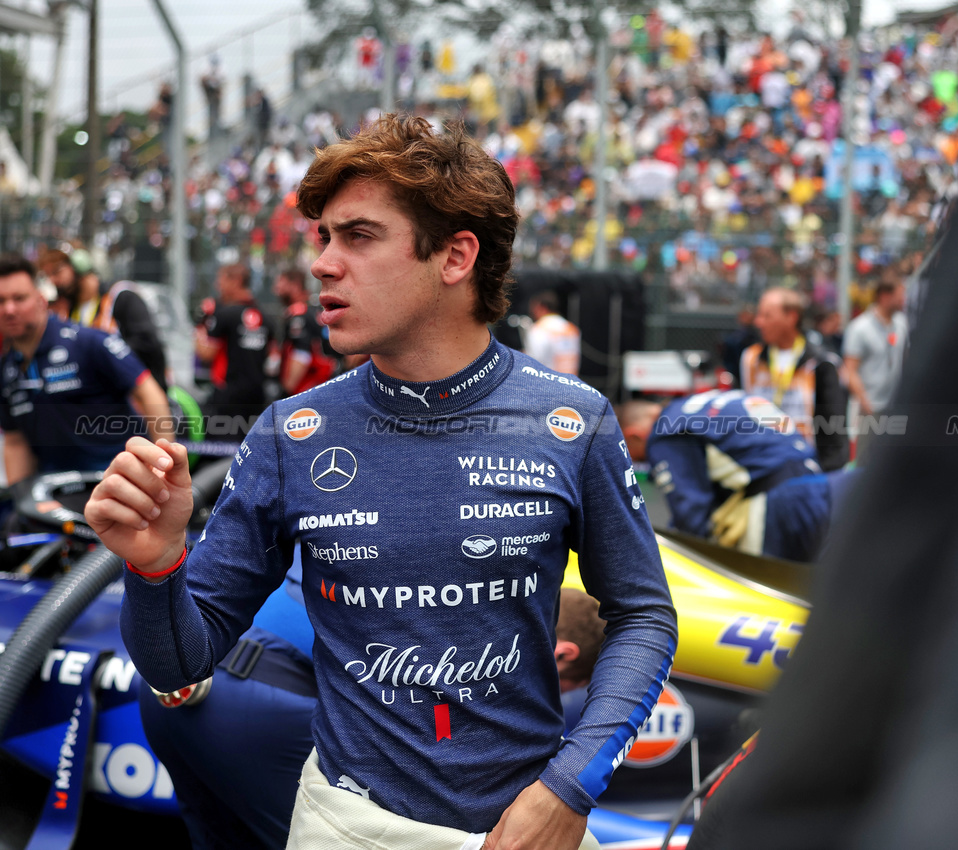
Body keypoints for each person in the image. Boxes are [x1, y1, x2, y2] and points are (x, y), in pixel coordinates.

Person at [85, 113, 676, 850]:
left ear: (456, 256)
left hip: (531, 826)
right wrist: (153, 565)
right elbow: (179, 664)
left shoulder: (571, 418)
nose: (324, 264)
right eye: (323, 239)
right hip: (347, 827)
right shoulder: (290, 433)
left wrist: (569, 787)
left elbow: (644, 616)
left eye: (357, 237)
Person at [140, 568, 610, 850]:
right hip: (253, 707)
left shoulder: (455, 584)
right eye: (566, 684)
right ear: (563, 654)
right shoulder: (478, 646)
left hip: (173, 682)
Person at [619, 391, 853, 563]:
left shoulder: (664, 432)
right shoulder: (704, 403)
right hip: (820, 483)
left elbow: (690, 513)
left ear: (634, 436)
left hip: (779, 500)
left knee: (766, 597)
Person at [0, 253, 172, 483]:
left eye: (19, 298)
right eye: (1, 301)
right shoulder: (6, 368)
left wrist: (165, 471)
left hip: (119, 485)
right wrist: (21, 501)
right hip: (54, 495)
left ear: (41, 300)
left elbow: (150, 392)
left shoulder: (88, 342)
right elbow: (14, 441)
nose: (9, 309)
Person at [739, 287, 849, 471]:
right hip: (762, 465)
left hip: (806, 468)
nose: (759, 322)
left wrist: (827, 473)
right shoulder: (751, 358)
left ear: (791, 317)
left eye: (767, 316)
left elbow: (834, 428)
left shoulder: (821, 363)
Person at [39, 248, 169, 391]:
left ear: (79, 266)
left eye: (56, 272)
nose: (53, 281)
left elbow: (148, 344)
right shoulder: (72, 312)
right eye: (48, 275)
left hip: (139, 398)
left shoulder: (120, 297)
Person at [196, 263, 273, 440]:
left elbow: (206, 354)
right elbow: (272, 359)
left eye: (221, 280)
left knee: (219, 454)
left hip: (227, 398)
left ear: (236, 281)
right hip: (257, 397)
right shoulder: (266, 317)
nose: (218, 285)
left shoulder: (224, 314)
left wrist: (200, 325)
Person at [841, 278, 908, 462]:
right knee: (862, 460)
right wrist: (866, 402)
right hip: (868, 408)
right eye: (900, 295)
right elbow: (849, 370)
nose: (904, 299)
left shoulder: (901, 323)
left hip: (894, 406)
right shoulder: (860, 328)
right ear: (885, 296)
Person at [273, 267, 337, 396]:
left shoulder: (299, 314)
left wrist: (287, 391)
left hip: (304, 389)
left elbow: (301, 355)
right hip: (322, 384)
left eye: (281, 282)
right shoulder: (313, 310)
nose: (276, 288)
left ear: (295, 285)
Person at [524, 290, 581, 375]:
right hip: (571, 381)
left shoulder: (539, 328)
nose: (532, 311)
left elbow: (533, 360)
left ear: (541, 307)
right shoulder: (571, 327)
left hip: (547, 382)